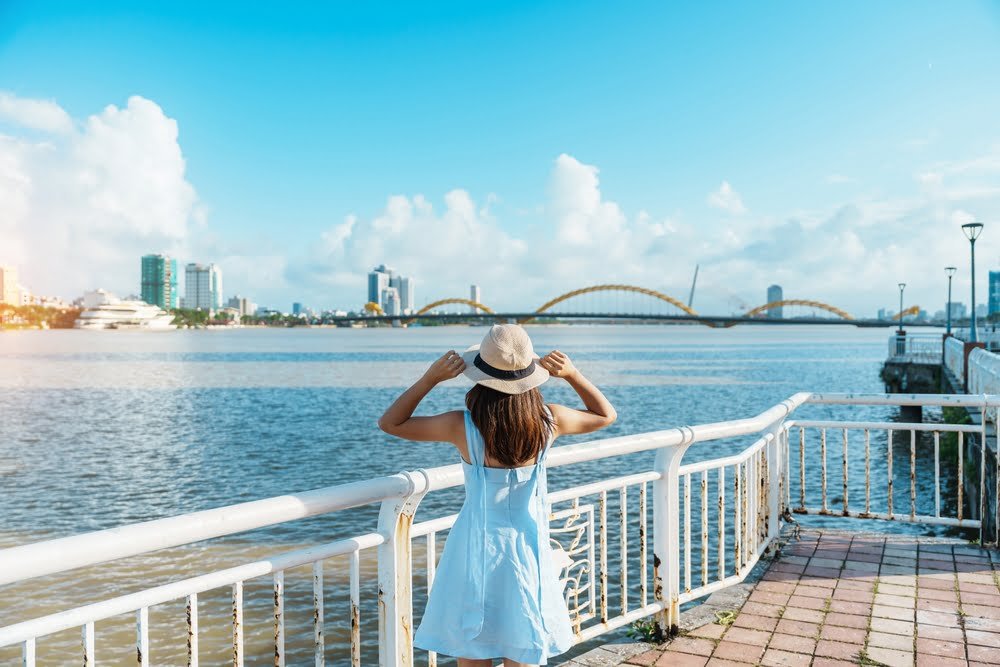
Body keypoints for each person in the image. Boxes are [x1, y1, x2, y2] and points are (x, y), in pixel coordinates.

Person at [378, 324, 617, 667]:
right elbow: (606, 415)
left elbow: (391, 423)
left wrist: (430, 378)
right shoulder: (550, 421)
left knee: (474, 646)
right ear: (531, 376)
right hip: (527, 549)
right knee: (524, 642)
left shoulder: (463, 426)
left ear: (480, 377)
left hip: (474, 549)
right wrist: (573, 374)